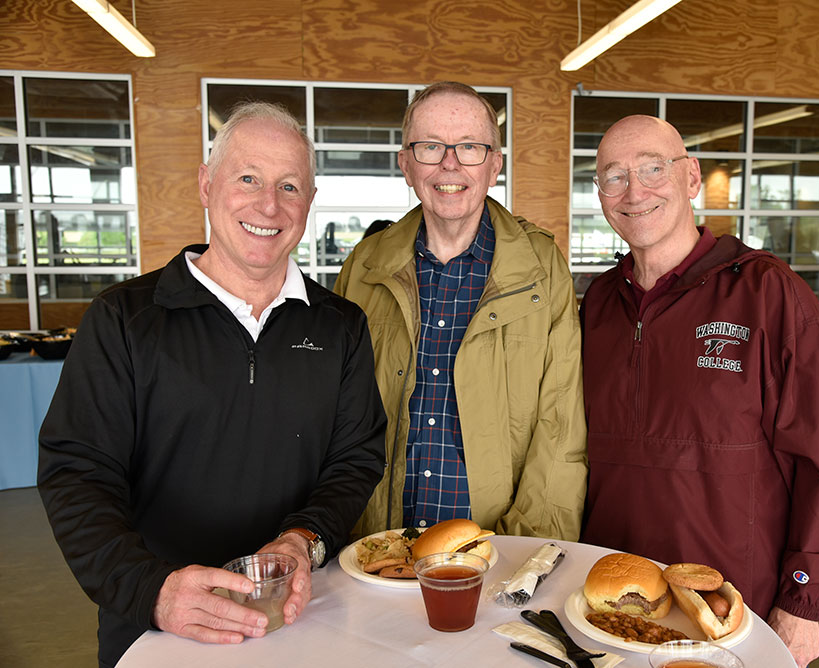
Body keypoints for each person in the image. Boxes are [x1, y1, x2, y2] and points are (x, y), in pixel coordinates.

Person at [37, 102, 387, 667]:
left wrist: (303, 539)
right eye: (247, 178)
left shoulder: (341, 326)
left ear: (309, 202)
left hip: (304, 619)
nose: (268, 205)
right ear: (206, 184)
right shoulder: (123, 320)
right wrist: (152, 589)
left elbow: (355, 458)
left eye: (289, 186)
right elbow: (76, 474)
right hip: (160, 630)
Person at [579, 115, 819, 668]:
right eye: (613, 176)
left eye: (652, 168)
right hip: (611, 603)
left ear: (691, 177)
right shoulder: (597, 306)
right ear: (599, 194)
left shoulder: (768, 294)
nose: (634, 190)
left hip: (733, 605)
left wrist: (803, 603)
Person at [334, 81, 587, 540]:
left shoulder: (542, 269)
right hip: (377, 549)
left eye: (469, 146)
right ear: (406, 165)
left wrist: (521, 553)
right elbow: (334, 418)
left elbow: (560, 429)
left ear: (495, 166)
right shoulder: (363, 267)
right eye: (430, 146)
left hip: (497, 553)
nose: (449, 163)